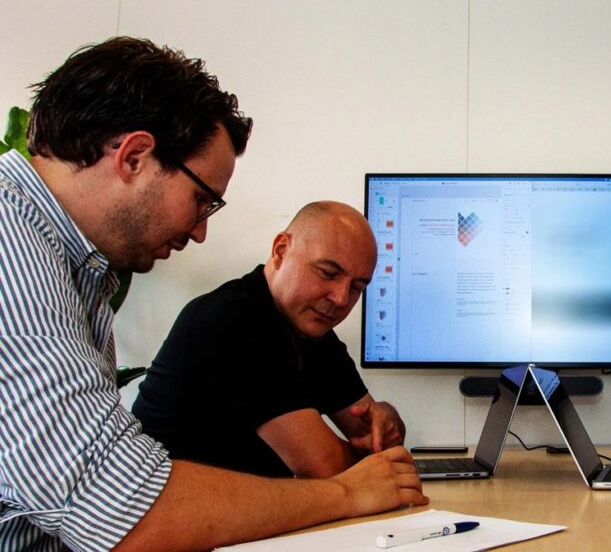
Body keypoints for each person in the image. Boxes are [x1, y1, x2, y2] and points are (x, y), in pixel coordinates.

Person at [0, 37, 426, 552]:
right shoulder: (12, 254)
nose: (200, 232)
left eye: (356, 286)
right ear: (134, 157)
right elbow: (124, 515)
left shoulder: (70, 264)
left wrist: (372, 446)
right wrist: (347, 493)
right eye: (202, 199)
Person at [133, 201, 405, 479]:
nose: (341, 298)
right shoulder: (233, 319)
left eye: (357, 287)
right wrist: (374, 458)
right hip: (176, 503)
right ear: (281, 251)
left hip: (246, 502)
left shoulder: (312, 329)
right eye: (328, 273)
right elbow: (326, 466)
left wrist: (384, 417)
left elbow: (374, 439)